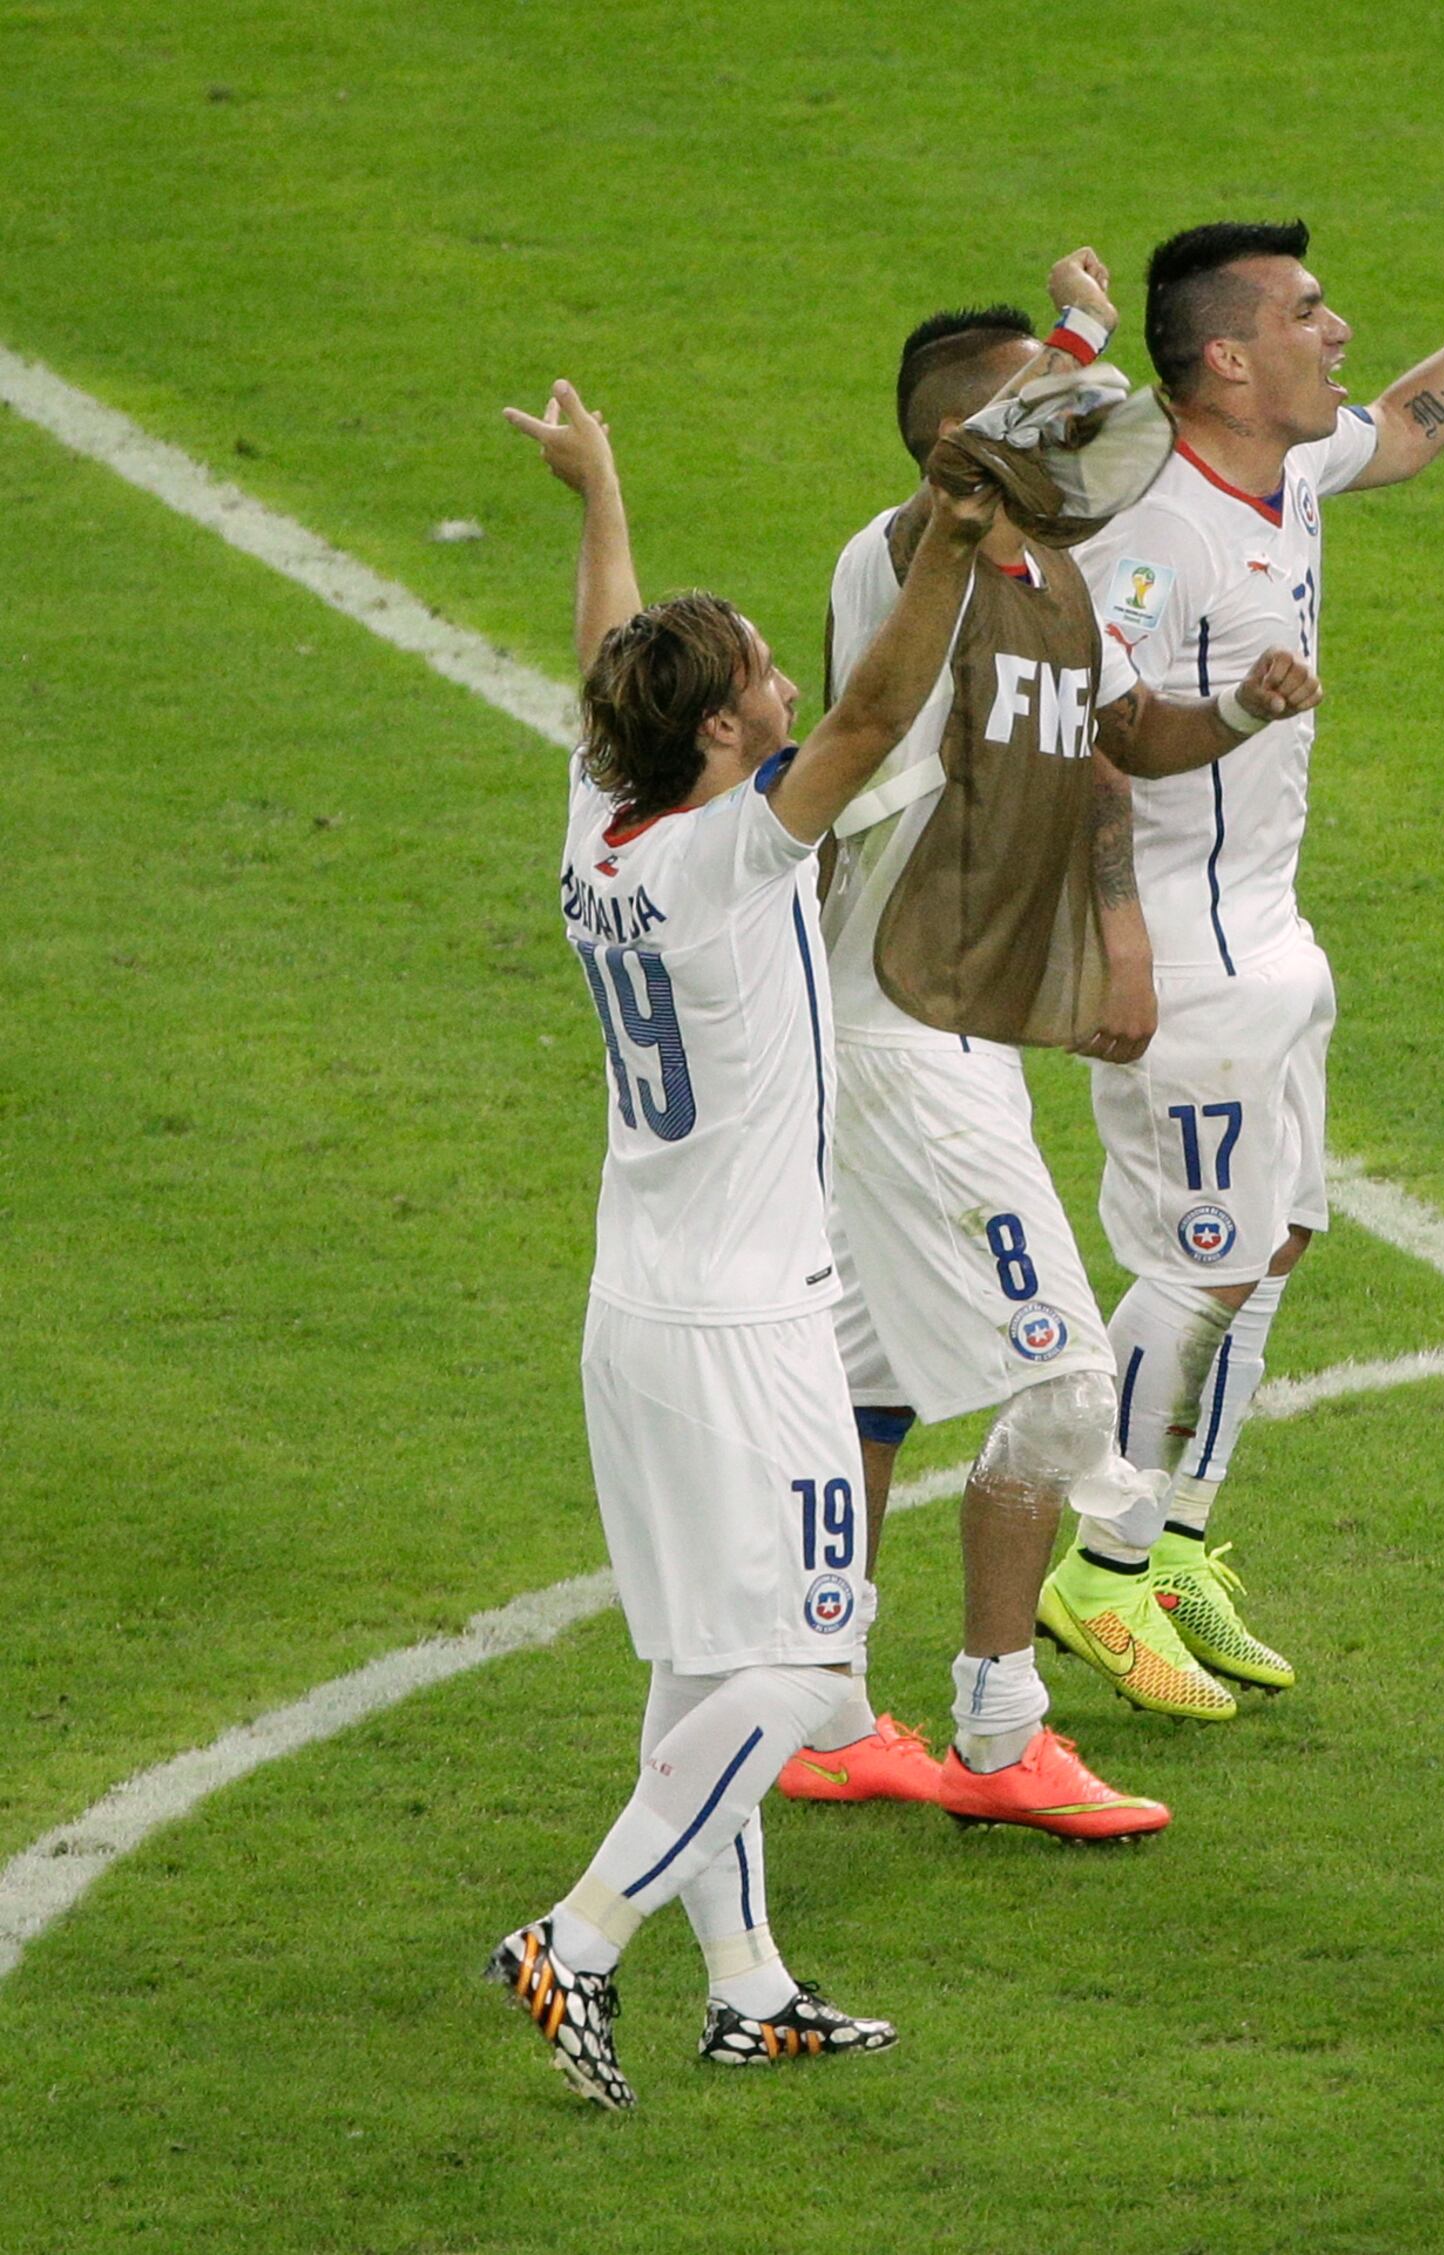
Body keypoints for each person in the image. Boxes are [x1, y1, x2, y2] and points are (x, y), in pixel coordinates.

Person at [485, 378, 993, 2105]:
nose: (783, 690)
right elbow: (875, 707)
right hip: (747, 1331)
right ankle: (580, 1937)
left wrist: (598, 489)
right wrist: (957, 553)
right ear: (718, 741)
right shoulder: (730, 856)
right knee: (809, 1665)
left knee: (704, 1657)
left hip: (639, 1310)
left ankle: (747, 1981)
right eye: (756, 676)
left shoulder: (603, 821)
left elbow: (613, 649)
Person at [1067, 168, 1444, 1686]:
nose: (1337, 329)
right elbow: (1094, 737)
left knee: (1279, 1238)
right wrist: (1123, 937)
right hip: (1179, 954)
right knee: (1201, 1261)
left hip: (1271, 931)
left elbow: (1413, 423)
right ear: (1228, 362)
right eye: (1305, 313)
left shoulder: (1289, 475)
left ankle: (1177, 1539)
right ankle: (1097, 1564)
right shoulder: (1151, 534)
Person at [787, 253, 1324, 1838]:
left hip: (968, 1031)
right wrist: (1079, 332)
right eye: (1058, 403)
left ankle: (822, 1710)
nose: (1094, 422)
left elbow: (1124, 743)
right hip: (898, 1031)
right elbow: (965, 467)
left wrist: (1233, 717)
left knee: (870, 1385)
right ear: (971, 440)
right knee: (1071, 1384)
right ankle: (999, 1729)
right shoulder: (904, 562)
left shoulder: (1058, 579)